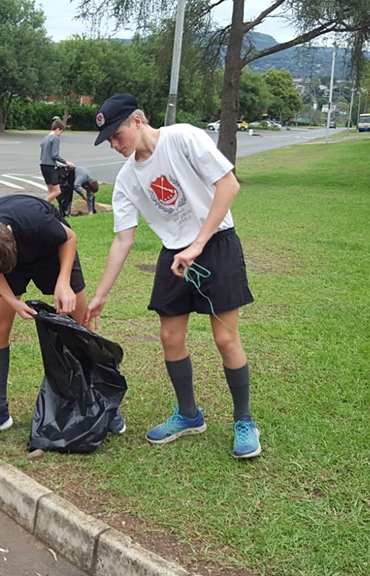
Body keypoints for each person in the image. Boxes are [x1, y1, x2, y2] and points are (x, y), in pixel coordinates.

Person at [85, 93, 261, 459]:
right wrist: (101, 294)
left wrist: (198, 243)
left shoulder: (183, 137)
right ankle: (188, 415)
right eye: (110, 141)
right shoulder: (127, 179)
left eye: (118, 135)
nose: (115, 146)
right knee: (169, 337)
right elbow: (123, 239)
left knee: (225, 340)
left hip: (216, 244)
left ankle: (243, 420)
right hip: (175, 253)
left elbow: (229, 186)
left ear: (137, 121)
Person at [0, 194, 126, 442]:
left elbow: (69, 237)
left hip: (51, 252)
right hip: (3, 259)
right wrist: (12, 301)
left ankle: (100, 402)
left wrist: (64, 282)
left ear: (10, 230)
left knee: (81, 326)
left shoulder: (35, 219)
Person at [40, 119, 74, 206]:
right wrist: (66, 162)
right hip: (50, 167)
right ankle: (42, 206)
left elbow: (43, 154)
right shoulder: (55, 138)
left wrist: (56, 162)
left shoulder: (45, 138)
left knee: (51, 191)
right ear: (58, 129)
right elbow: (55, 155)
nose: (60, 135)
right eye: (61, 132)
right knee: (57, 191)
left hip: (43, 165)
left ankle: (46, 208)